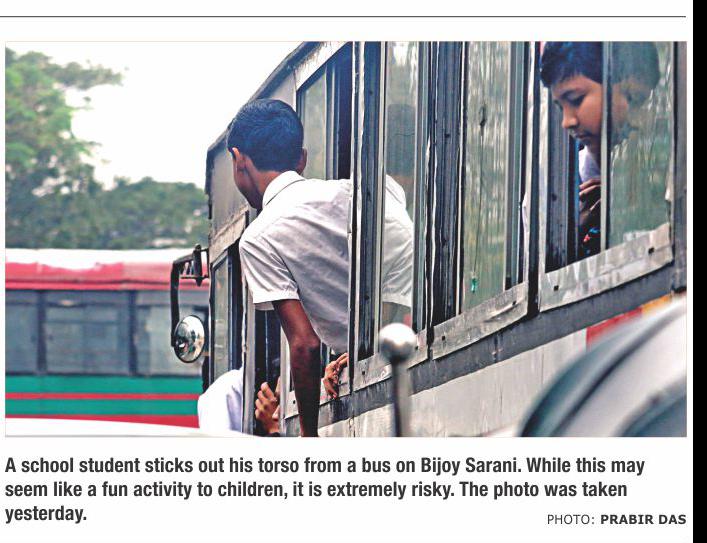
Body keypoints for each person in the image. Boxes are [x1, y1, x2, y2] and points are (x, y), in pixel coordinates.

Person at [227, 99, 412, 437]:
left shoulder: (258, 238)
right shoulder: (362, 192)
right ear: (301, 159)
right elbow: (402, 245)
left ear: (239, 160)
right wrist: (364, 345)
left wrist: (308, 435)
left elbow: (305, 344)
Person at [539, 42, 660, 256]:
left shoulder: (660, 172)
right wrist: (572, 233)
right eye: (561, 107)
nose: (566, 122)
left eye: (576, 100)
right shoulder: (552, 190)